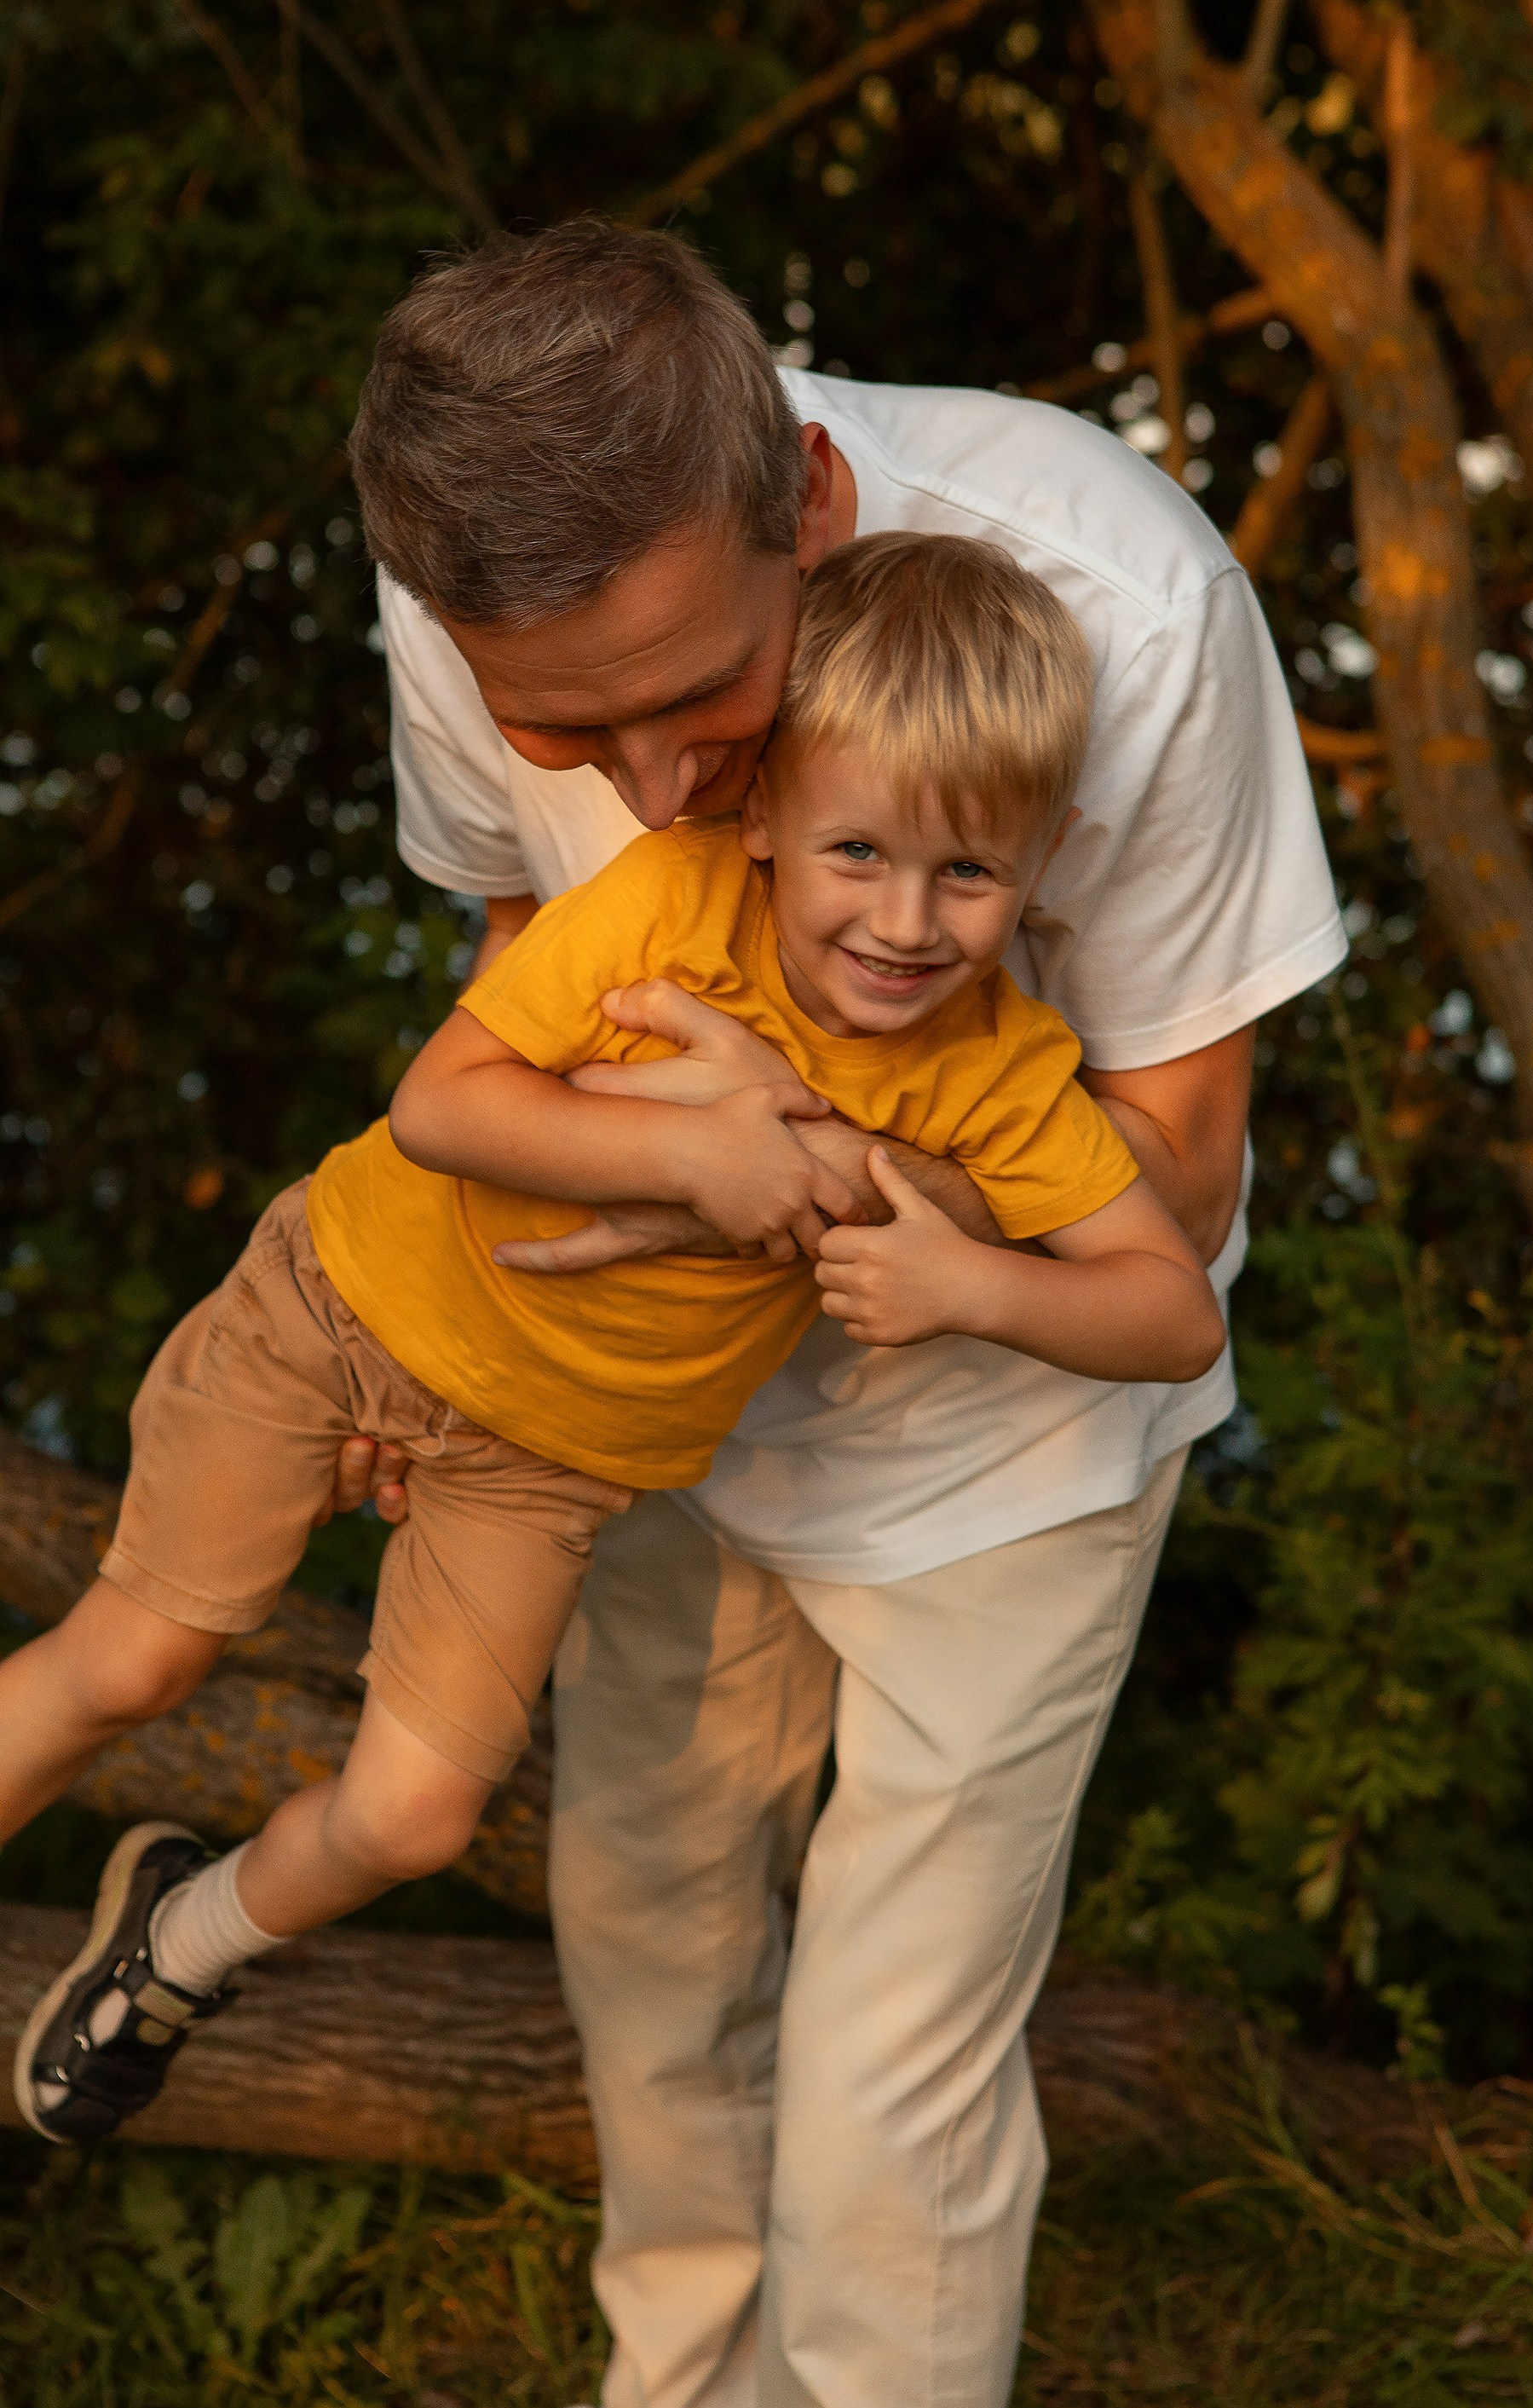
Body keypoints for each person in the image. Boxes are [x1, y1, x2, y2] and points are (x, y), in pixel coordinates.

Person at [338, 218, 1345, 2408]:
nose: (659, 782)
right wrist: (444, 1319)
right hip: (657, 1410)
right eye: (573, 726)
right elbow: (518, 974)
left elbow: (1175, 1183)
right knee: (651, 1944)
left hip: (1015, 1445)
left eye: (702, 695)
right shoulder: (466, 593)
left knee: (891, 2090)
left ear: (807, 500)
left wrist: (765, 1175)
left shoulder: (1126, 601)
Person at [6, 532, 1225, 2156]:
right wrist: (702, 1156)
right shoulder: (666, 907)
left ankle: (182, 1936)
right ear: (769, 809)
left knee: (417, 1814)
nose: (908, 922)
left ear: (1048, 858)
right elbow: (441, 1106)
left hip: (549, 1459)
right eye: (858, 849)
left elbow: (1173, 1307)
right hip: (340, 1308)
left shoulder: (996, 1074)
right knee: (139, 1657)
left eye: (972, 874)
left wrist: (974, 1286)